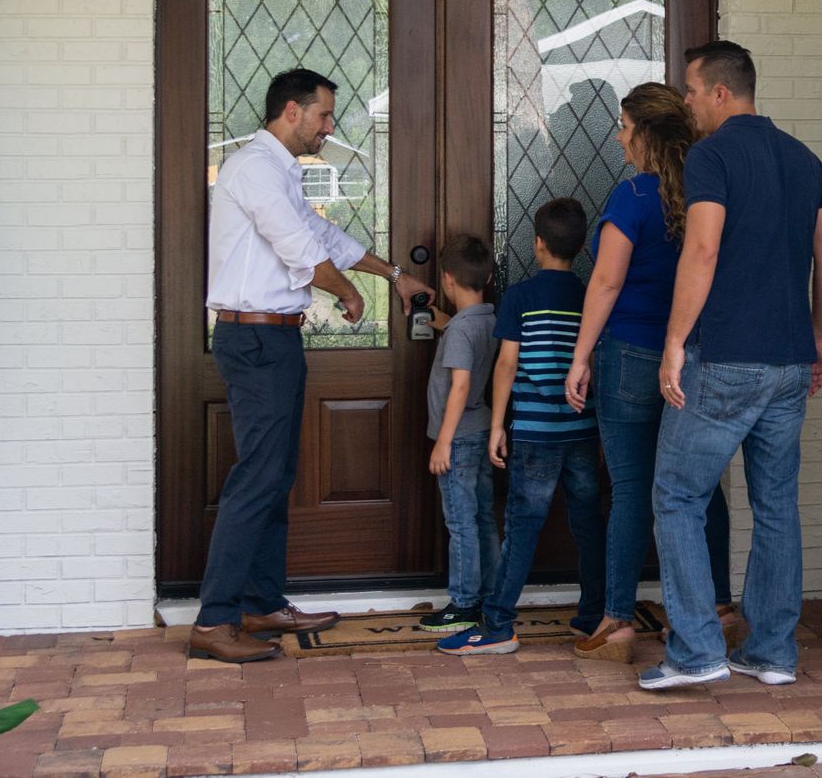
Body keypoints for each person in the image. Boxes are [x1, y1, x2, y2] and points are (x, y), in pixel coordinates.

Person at [192, 67, 433, 664]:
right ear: (292, 111)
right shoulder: (254, 168)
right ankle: (215, 619)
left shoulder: (279, 171)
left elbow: (321, 233)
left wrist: (394, 276)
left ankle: (261, 603)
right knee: (257, 477)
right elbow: (299, 249)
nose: (329, 127)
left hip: (273, 340)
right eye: (323, 115)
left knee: (274, 475)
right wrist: (348, 293)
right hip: (255, 340)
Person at [639, 42, 822, 691]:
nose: (688, 102)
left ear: (721, 93)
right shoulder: (805, 160)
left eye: (692, 90)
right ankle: (773, 651)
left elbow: (701, 250)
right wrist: (820, 335)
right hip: (789, 361)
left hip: (726, 355)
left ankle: (697, 651)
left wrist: (675, 340)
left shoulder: (713, 155)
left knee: (678, 495)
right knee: (776, 503)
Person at [563, 83, 737, 664]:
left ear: (645, 133)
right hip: (693, 356)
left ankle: (616, 621)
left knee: (634, 488)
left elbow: (607, 281)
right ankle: (719, 608)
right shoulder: (707, 190)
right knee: (699, 484)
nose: (618, 138)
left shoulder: (634, 194)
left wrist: (580, 355)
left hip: (633, 356)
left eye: (624, 127)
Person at [438, 197, 606, 656]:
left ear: (537, 244)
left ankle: (497, 625)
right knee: (589, 524)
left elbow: (507, 364)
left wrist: (498, 425)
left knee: (523, 527)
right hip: (581, 429)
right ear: (582, 247)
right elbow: (594, 362)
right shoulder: (591, 295)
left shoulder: (520, 297)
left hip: (534, 432)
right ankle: (594, 615)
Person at [417, 235, 501, 630]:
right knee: (483, 517)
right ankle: (491, 594)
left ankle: (464, 603)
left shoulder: (460, 332)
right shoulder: (487, 319)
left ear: (447, 280)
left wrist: (443, 442)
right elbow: (470, 339)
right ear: (487, 278)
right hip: (481, 429)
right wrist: (445, 323)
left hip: (459, 438)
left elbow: (461, 386)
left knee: (461, 521)